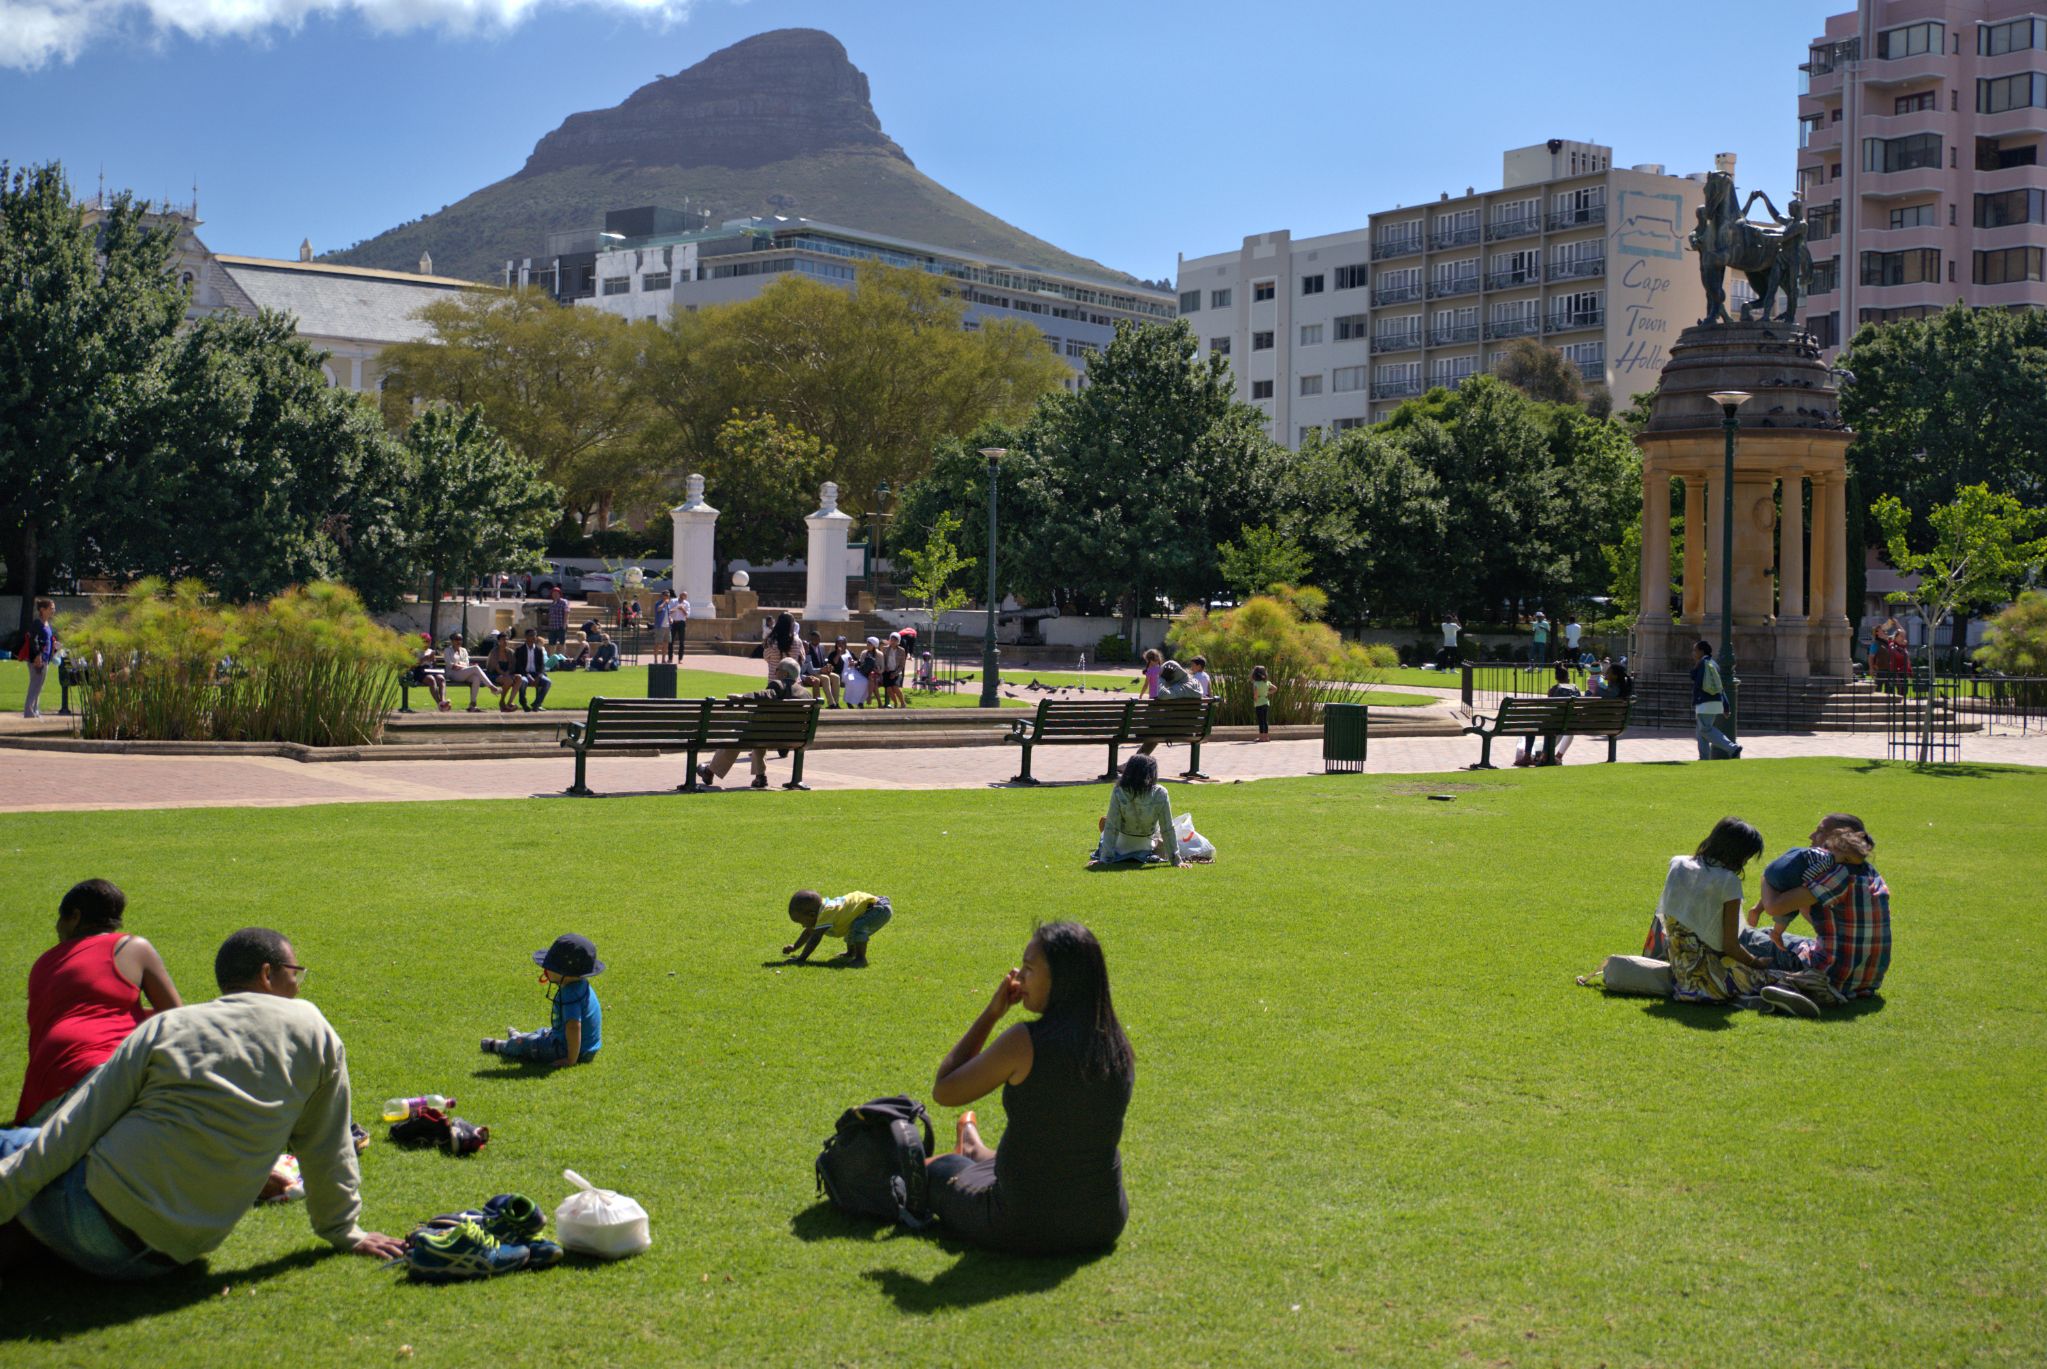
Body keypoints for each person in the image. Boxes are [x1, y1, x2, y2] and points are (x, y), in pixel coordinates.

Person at [0, 927, 406, 1278]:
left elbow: (72, 1128)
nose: (299, 985)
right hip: (169, 1257)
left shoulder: (166, 1027)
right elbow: (327, 1144)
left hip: (93, 1218)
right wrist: (344, 1230)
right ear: (268, 975)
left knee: (16, 1144)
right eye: (295, 973)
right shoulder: (313, 1029)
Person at [926, 921, 1134, 1255]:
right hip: (1103, 1222)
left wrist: (992, 1014)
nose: (1019, 977)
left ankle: (967, 1154)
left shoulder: (1025, 1042)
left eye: (1029, 968)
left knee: (935, 1171)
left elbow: (945, 1090)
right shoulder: (1115, 1043)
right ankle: (974, 1150)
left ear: (1061, 980)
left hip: (1021, 1222)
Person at [15, 880, 181, 1127]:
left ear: (75, 917)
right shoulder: (131, 947)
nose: (57, 928)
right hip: (103, 1073)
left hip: (42, 1098)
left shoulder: (44, 963)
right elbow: (178, 1018)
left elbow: (76, 1014)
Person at [1739, 814, 1892, 1012]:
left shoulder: (1836, 874)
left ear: (1840, 839)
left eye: (1820, 831)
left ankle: (1794, 986)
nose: (1811, 836)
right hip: (1866, 981)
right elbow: (1828, 924)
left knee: (1742, 938)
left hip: (1831, 974)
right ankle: (1788, 989)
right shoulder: (1870, 873)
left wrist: (1767, 876)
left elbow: (1774, 907)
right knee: (1768, 934)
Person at [1652, 818, 1774, 1004]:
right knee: (1776, 977)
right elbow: (1730, 946)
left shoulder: (1677, 863)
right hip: (1710, 982)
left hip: (1680, 973)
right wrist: (1756, 963)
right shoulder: (1728, 881)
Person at [482, 934, 603, 1067]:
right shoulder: (580, 985)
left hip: (572, 1051)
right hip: (585, 1048)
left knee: (526, 1044)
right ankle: (520, 1037)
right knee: (542, 1031)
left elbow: (574, 1027)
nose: (545, 969)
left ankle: (502, 1045)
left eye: (550, 967)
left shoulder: (570, 995)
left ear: (564, 972)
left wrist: (570, 1060)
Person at [697, 658, 811, 789]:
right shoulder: (806, 694)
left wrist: (744, 696)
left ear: (785, 674)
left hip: (767, 734)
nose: (775, 673)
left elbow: (768, 694)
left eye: (777, 670)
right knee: (758, 733)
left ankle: (709, 771)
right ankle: (760, 777)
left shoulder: (779, 686)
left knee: (738, 736)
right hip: (796, 738)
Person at [1090, 755, 1181, 868]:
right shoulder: (1161, 793)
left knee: (1105, 822)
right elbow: (1167, 828)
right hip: (1146, 849)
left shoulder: (1119, 791)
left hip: (1120, 849)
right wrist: (1176, 861)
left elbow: (1111, 827)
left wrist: (1104, 859)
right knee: (1159, 834)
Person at [780, 889, 894, 968]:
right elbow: (809, 932)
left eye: (802, 922)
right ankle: (851, 953)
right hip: (870, 907)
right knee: (850, 925)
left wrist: (801, 959)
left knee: (858, 927)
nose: (803, 926)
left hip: (878, 909)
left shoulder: (826, 913)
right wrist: (795, 947)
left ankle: (861, 959)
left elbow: (815, 937)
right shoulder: (820, 909)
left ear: (811, 915)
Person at [1514, 663, 1580, 767]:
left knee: (1533, 726)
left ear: (1556, 677)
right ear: (1568, 678)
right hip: (1570, 723)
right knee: (1558, 727)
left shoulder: (1553, 690)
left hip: (1553, 723)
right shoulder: (1576, 689)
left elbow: (1549, 709)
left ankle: (1528, 756)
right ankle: (1551, 756)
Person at [1690, 639, 1740, 760]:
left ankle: (1732, 748)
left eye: (1695, 650)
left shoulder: (1703, 663)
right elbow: (1720, 687)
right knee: (1701, 732)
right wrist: (1726, 705)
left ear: (1701, 652)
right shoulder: (1714, 664)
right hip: (1714, 702)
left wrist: (1696, 665)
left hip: (1705, 703)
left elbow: (1695, 679)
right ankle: (1704, 758)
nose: (1693, 653)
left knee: (1705, 730)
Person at [20, 596, 57, 719]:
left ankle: (35, 710)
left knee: (39, 686)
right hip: (37, 660)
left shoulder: (46, 624)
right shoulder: (37, 623)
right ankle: (29, 712)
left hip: (45, 659)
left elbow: (47, 640)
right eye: (51, 608)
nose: (53, 610)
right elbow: (32, 640)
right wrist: (37, 655)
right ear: (42, 609)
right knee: (35, 685)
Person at [442, 632, 497, 711]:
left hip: (463, 673)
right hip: (452, 674)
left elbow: (467, 664)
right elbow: (450, 665)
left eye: (460, 639)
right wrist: (459, 665)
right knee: (475, 668)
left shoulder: (464, 650)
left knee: (476, 678)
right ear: (452, 641)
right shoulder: (447, 650)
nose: (459, 641)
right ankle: (491, 687)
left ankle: (472, 705)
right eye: (456, 639)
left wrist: (459, 664)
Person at [406, 635, 450, 712]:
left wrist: (433, 660)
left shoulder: (430, 651)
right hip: (420, 671)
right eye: (424, 641)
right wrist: (423, 659)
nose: (426, 644)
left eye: (428, 642)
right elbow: (411, 666)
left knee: (441, 679)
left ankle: (443, 700)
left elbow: (434, 665)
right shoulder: (415, 651)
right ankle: (439, 703)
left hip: (430, 669)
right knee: (431, 679)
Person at [486, 631, 525, 713]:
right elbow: (495, 667)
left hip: (507, 674)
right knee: (508, 680)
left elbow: (512, 665)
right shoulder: (494, 652)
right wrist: (505, 674)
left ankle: (510, 702)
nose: (505, 641)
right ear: (499, 641)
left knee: (519, 678)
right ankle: (502, 701)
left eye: (507, 639)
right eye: (503, 639)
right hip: (494, 674)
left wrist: (508, 672)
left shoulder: (510, 652)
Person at [513, 630, 552, 711]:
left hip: (536, 674)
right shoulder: (520, 650)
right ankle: (523, 702)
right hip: (524, 674)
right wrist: (528, 675)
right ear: (526, 637)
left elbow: (542, 666)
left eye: (535, 635)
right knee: (523, 681)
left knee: (548, 682)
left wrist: (538, 676)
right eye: (531, 635)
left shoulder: (539, 650)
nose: (534, 637)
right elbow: (519, 667)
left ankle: (537, 704)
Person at [764, 613, 800, 681]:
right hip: (793, 682)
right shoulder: (798, 642)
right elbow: (801, 660)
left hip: (774, 681)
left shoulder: (771, 641)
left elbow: (766, 658)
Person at [881, 633, 908, 709]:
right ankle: (895, 703)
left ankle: (903, 703)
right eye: (892, 640)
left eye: (895, 640)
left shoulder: (901, 650)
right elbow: (883, 660)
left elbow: (902, 665)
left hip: (896, 672)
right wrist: (885, 667)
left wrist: (895, 673)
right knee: (889, 689)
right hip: (887, 672)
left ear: (898, 641)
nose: (893, 642)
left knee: (895, 687)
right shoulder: (885, 649)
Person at [1251, 664, 1273, 742]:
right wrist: (1267, 693)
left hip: (1259, 704)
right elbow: (1275, 688)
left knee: (1260, 721)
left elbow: (1255, 694)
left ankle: (1261, 738)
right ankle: (1266, 737)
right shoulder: (1267, 682)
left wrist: (1255, 699)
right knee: (1265, 721)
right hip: (1266, 702)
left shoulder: (1256, 683)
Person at [652, 591, 675, 663]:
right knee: (657, 643)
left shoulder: (668, 605)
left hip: (667, 627)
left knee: (666, 644)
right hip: (660, 626)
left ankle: (663, 660)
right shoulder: (658, 603)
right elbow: (658, 609)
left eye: (669, 596)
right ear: (662, 596)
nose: (668, 597)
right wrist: (665, 602)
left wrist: (670, 618)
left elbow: (667, 614)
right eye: (666, 595)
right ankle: (655, 660)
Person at [673, 591, 691, 661]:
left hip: (681, 623)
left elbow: (688, 615)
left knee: (681, 641)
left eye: (685, 596)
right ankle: (670, 657)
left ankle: (680, 658)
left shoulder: (687, 603)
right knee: (671, 641)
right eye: (682, 595)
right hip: (673, 622)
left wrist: (682, 609)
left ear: (686, 597)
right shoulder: (674, 601)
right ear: (680, 595)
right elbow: (670, 611)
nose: (683, 597)